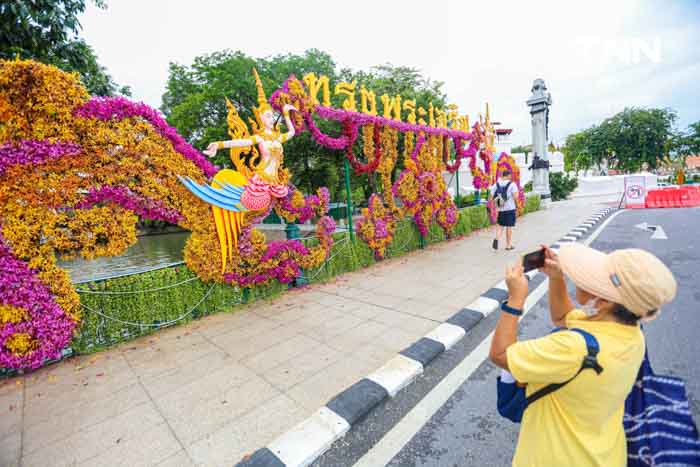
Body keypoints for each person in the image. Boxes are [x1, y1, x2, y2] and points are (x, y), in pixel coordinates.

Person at [489, 243, 677, 467]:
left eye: (592, 278)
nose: (580, 278)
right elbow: (563, 317)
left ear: (604, 301)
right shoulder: (630, 333)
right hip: (605, 456)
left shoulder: (574, 348)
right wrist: (556, 278)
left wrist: (514, 301)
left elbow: (501, 354)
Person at [489, 170, 519, 251]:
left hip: (500, 209)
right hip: (510, 209)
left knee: (500, 226)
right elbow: (516, 197)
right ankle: (508, 245)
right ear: (508, 175)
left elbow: (490, 198)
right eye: (510, 175)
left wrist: (493, 207)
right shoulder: (512, 184)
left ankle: (496, 238)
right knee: (509, 227)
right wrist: (517, 207)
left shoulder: (496, 185)